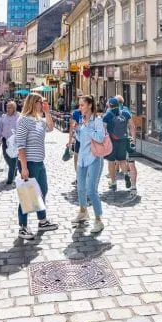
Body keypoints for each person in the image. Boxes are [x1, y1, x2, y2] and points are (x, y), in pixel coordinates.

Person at [15, 93, 59, 241]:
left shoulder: (38, 120)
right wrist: (24, 167)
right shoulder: (24, 121)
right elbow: (20, 145)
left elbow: (51, 128)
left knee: (43, 191)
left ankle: (42, 221)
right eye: (41, 102)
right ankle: (23, 227)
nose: (43, 104)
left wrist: (47, 112)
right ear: (34, 103)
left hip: (40, 162)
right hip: (29, 163)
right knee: (27, 194)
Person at [72, 95, 107, 234]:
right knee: (80, 188)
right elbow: (81, 139)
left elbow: (100, 137)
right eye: (79, 105)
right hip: (82, 157)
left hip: (94, 158)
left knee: (91, 189)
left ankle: (99, 220)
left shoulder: (97, 120)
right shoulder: (82, 119)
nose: (80, 108)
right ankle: (83, 212)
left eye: (82, 105)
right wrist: (77, 130)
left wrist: (86, 127)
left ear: (90, 105)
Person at [103, 96, 138, 195]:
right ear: (119, 104)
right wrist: (133, 139)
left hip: (112, 141)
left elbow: (103, 130)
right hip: (123, 140)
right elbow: (132, 127)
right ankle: (126, 174)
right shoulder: (126, 113)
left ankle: (113, 182)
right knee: (122, 160)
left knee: (111, 162)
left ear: (109, 105)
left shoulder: (107, 115)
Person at [0, 100, 20, 186]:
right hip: (5, 140)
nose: (8, 109)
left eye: (10, 107)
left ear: (14, 108)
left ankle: (10, 179)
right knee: (6, 156)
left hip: (15, 141)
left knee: (13, 159)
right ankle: (14, 168)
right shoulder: (3, 116)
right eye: (7, 107)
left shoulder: (19, 116)